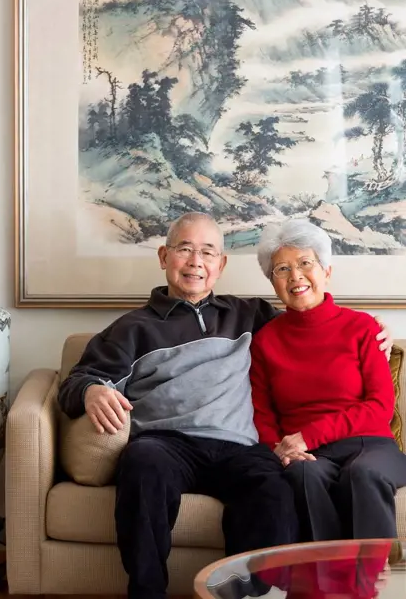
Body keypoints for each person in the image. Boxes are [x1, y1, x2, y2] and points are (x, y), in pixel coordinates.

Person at [58, 212, 392, 599]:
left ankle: (246, 595)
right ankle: (146, 592)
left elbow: (310, 319)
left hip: (240, 448)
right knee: (141, 463)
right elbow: (75, 382)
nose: (196, 262)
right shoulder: (131, 329)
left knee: (275, 489)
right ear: (164, 256)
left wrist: (374, 327)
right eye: (185, 249)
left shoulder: (251, 314)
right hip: (168, 444)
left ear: (222, 264)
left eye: (208, 252)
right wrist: (91, 391)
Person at [250, 218, 406, 543]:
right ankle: (321, 588)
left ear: (326, 271)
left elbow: (380, 406)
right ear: (273, 282)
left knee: (361, 475)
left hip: (370, 444)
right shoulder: (265, 341)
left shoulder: (362, 327)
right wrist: (280, 450)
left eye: (305, 263)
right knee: (301, 474)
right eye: (281, 269)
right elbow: (262, 414)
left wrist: (308, 435)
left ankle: (366, 588)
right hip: (308, 455)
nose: (295, 276)